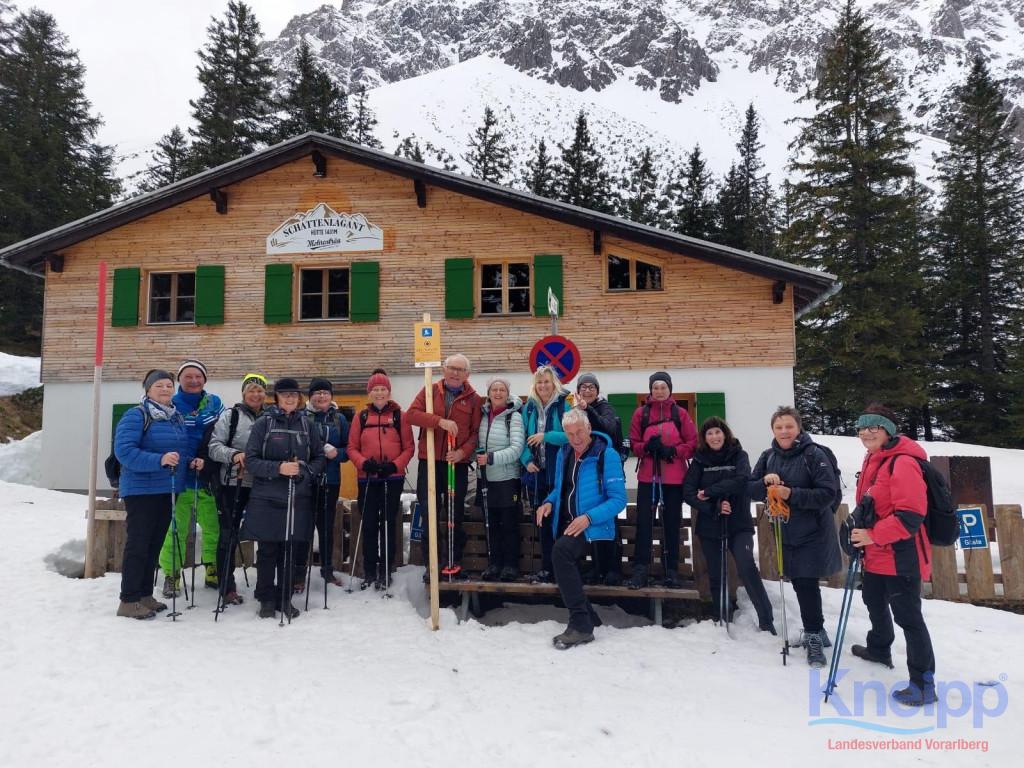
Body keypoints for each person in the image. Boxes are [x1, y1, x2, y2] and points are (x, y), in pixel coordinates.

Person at [850, 403, 937, 706]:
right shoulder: (874, 458)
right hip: (876, 552)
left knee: (908, 618)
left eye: (873, 427)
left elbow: (910, 516)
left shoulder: (902, 462)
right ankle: (879, 649)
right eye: (862, 427)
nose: (866, 432)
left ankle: (923, 684)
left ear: (888, 430)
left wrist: (872, 535)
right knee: (873, 600)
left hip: (902, 554)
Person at [749, 405, 842, 667]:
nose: (784, 431)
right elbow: (750, 489)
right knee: (802, 583)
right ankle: (818, 632)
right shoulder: (768, 456)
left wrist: (791, 493)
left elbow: (828, 493)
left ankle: (813, 635)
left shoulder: (814, 454)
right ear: (772, 430)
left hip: (813, 531)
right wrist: (765, 482)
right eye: (779, 427)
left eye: (789, 426)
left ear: (798, 427)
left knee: (805, 582)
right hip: (786, 531)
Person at [535, 409, 627, 649]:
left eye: (579, 432)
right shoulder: (565, 453)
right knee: (558, 555)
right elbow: (561, 488)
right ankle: (588, 615)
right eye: (570, 433)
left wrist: (588, 518)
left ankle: (581, 625)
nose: (575, 438)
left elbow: (619, 500)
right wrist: (548, 502)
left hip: (596, 526)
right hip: (569, 523)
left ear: (589, 428)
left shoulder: (606, 454)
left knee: (561, 553)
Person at [241, 378, 326, 619]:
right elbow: (251, 461)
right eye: (285, 394)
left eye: (294, 394)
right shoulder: (264, 423)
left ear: (299, 398)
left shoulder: (307, 425)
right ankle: (266, 598)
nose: (290, 398)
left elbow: (319, 458)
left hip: (297, 496)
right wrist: (278, 468)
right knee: (268, 550)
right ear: (276, 397)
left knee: (290, 550)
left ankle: (284, 597)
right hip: (267, 496)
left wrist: (304, 471)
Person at [683, 416, 775, 632]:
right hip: (710, 522)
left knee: (746, 564)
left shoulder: (739, 455)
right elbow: (688, 492)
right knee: (715, 572)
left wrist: (709, 491)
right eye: (709, 433)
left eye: (718, 432)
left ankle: (766, 619)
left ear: (725, 434)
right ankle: (720, 616)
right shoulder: (699, 461)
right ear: (704, 438)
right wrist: (713, 507)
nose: (714, 437)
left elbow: (742, 480)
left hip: (738, 520)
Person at [114, 370, 192, 619]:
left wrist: (190, 461)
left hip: (167, 489)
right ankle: (128, 600)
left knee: (154, 543)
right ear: (148, 389)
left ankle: (145, 595)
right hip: (141, 490)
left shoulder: (175, 417)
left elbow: (178, 451)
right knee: (138, 544)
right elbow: (124, 452)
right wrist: (159, 460)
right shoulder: (136, 415)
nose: (165, 389)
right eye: (159, 385)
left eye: (169, 385)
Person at [407, 354, 482, 580]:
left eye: (460, 369)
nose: (455, 373)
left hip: (456, 464)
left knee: (454, 514)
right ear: (444, 369)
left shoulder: (474, 399)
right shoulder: (431, 391)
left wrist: (462, 453)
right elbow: (411, 415)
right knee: (429, 513)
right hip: (429, 462)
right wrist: (439, 421)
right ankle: (432, 565)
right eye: (451, 368)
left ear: (467, 374)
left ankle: (453, 562)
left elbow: (475, 433)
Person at [159, 360, 224, 597]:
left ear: (204, 379)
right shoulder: (170, 404)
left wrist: (207, 461)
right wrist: (187, 460)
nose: (194, 380)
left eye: (198, 376)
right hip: (179, 476)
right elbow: (166, 437)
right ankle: (171, 574)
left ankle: (212, 567)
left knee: (213, 527)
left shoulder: (215, 403)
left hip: (207, 476)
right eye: (188, 376)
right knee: (175, 529)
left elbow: (222, 434)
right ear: (180, 380)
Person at [627, 371, 697, 588]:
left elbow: (692, 443)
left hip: (674, 478)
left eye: (663, 387)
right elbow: (633, 443)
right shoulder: (641, 413)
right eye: (655, 387)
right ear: (650, 390)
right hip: (648, 477)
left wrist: (673, 451)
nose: (659, 391)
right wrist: (647, 447)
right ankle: (641, 569)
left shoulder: (680, 413)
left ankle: (671, 569)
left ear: (669, 389)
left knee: (672, 523)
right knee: (644, 523)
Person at [347, 370, 414, 589]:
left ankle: (385, 569)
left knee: (388, 522)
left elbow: (409, 448)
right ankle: (369, 570)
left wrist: (394, 465)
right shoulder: (361, 416)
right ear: (369, 393)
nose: (379, 393)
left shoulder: (400, 416)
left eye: (383, 389)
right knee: (368, 524)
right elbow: (351, 447)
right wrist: (363, 463)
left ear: (389, 392)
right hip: (367, 477)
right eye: (375, 389)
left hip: (392, 478)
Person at [206, 372, 268, 606]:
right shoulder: (230, 416)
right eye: (251, 389)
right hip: (233, 483)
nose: (256, 394)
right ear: (243, 393)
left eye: (260, 390)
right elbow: (214, 447)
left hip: (263, 483)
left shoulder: (272, 417)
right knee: (228, 535)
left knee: (266, 534)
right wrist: (234, 455)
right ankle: (227, 586)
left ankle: (265, 585)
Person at [293, 377, 349, 591]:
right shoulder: (300, 416)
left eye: (325, 392)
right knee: (303, 527)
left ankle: (327, 570)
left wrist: (337, 453)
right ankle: (299, 573)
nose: (321, 396)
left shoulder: (339, 419)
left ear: (331, 396)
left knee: (326, 527)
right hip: (305, 480)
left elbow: (349, 449)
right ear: (310, 397)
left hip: (330, 479)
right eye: (317, 392)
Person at [519, 365, 572, 582]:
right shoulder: (529, 407)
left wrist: (546, 436)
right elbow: (521, 438)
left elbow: (571, 435)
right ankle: (546, 568)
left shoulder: (564, 406)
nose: (543, 386)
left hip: (559, 473)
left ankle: (561, 569)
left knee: (559, 521)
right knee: (542, 521)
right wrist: (526, 460)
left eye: (547, 382)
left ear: (554, 384)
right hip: (537, 474)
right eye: (539, 382)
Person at [574, 372, 624, 585]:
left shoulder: (605, 408)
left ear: (597, 390)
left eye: (591, 387)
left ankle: (613, 568)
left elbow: (608, 428)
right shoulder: (575, 410)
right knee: (591, 515)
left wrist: (588, 409)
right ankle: (597, 566)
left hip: (605, 467)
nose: (587, 390)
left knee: (608, 515)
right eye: (583, 387)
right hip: (585, 469)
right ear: (578, 390)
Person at [476, 376, 526, 581]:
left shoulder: (513, 417)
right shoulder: (482, 415)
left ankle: (511, 565)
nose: (498, 393)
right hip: (485, 479)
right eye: (494, 389)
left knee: (509, 524)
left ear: (507, 393)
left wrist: (491, 458)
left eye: (502, 390)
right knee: (491, 525)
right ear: (488, 393)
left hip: (507, 479)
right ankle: (494, 564)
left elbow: (517, 449)